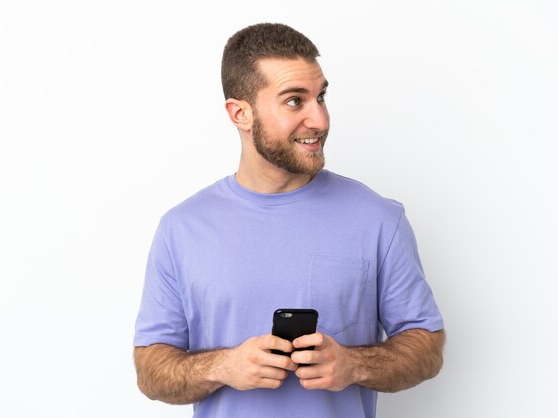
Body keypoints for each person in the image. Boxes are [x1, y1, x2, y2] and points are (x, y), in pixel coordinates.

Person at [133, 22, 445, 418]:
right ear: (240, 113)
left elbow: (427, 348)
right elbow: (151, 371)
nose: (319, 119)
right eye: (295, 101)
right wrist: (224, 366)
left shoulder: (379, 219)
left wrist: (353, 365)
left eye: (321, 96)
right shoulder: (182, 229)